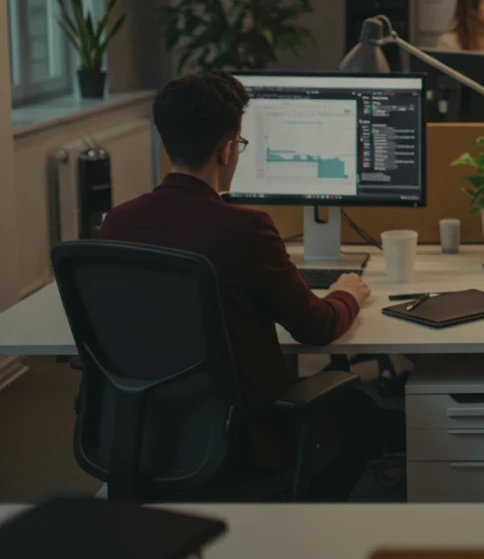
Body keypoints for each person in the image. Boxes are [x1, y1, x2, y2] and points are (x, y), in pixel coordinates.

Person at [99, 72, 376, 499]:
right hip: (241, 441)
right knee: (361, 410)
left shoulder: (117, 223)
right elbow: (316, 327)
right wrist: (348, 293)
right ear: (227, 149)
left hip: (147, 433)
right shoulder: (244, 228)